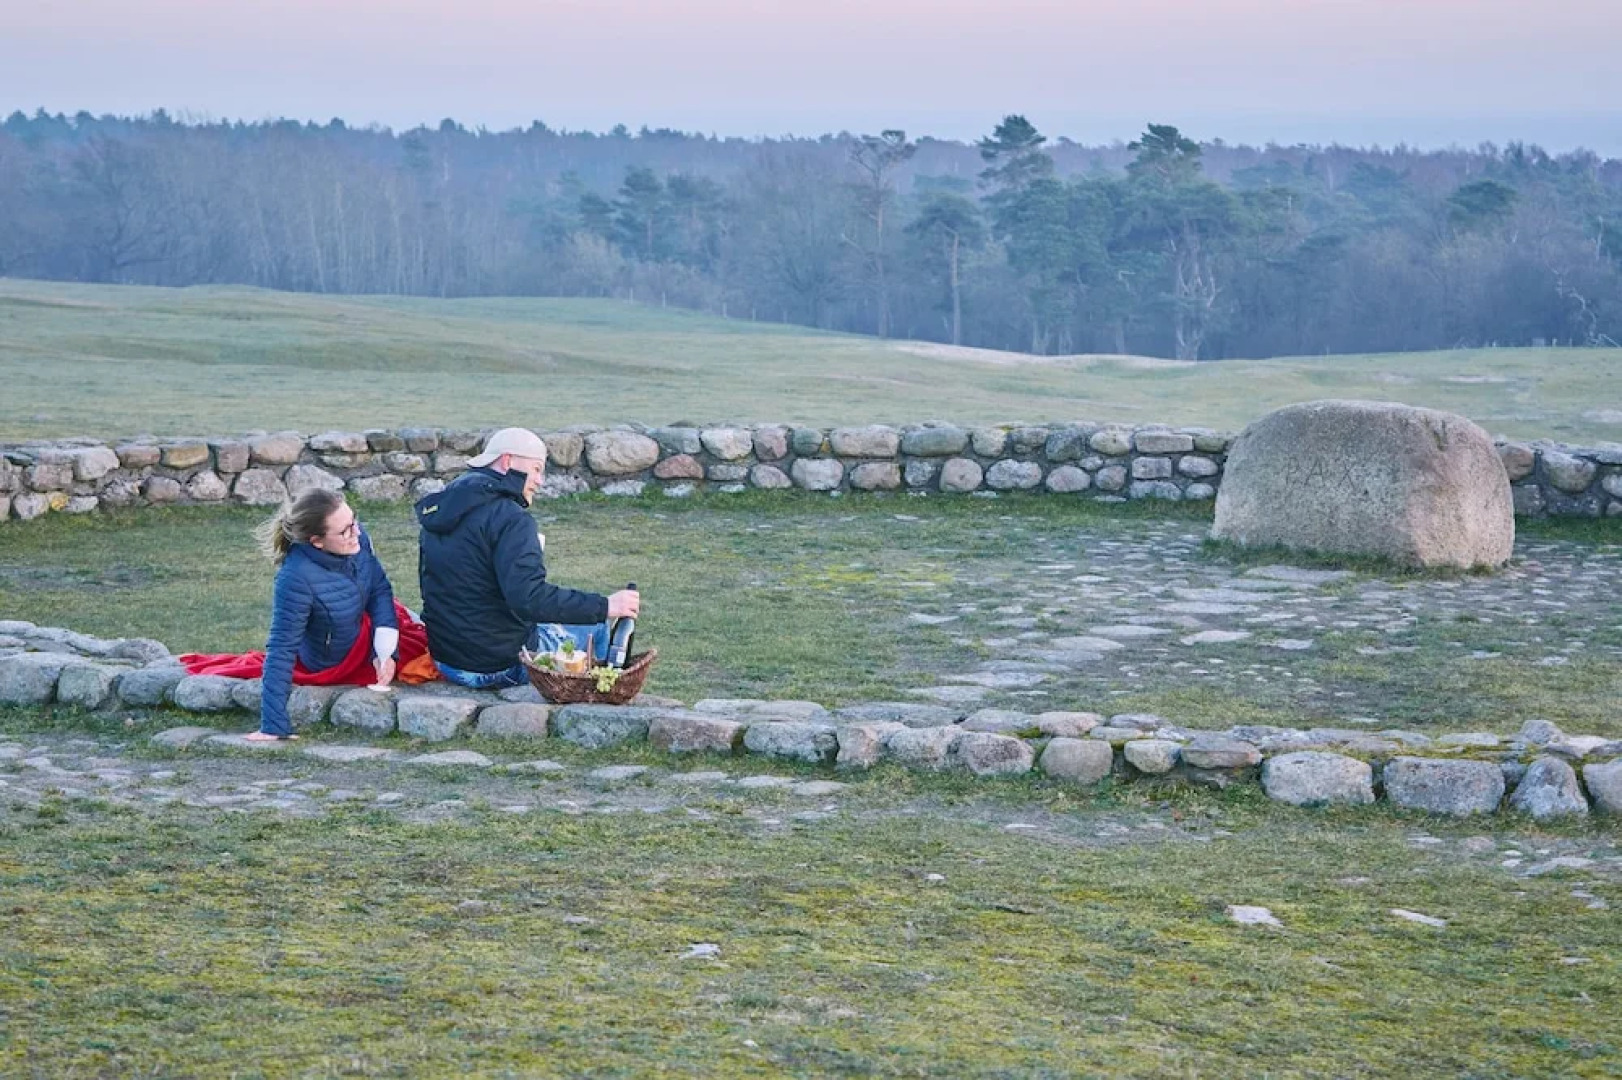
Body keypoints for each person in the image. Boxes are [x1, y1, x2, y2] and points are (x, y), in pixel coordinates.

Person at [181, 488, 428, 740]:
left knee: (422, 633)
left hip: (362, 629)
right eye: (344, 531)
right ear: (316, 541)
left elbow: (379, 591)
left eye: (354, 522)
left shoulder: (357, 539)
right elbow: (282, 647)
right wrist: (273, 724)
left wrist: (385, 653)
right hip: (338, 660)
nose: (356, 532)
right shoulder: (295, 578)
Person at [415, 427, 640, 689]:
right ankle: (596, 696)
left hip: (447, 660)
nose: (540, 480)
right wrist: (605, 606)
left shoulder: (443, 508)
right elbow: (528, 599)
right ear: (508, 461)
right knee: (596, 627)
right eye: (536, 469)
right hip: (498, 666)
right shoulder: (510, 518)